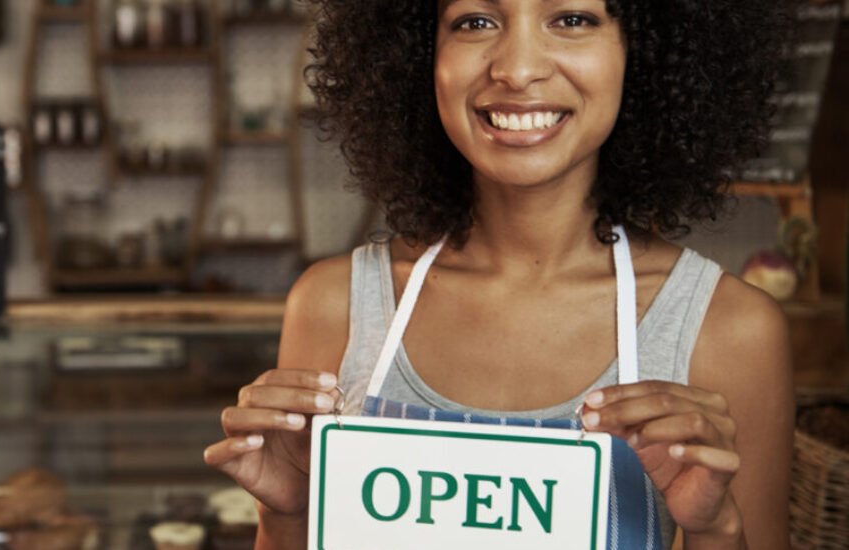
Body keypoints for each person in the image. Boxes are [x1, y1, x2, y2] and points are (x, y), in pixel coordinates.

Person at [204, 0, 795, 548]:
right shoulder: (334, 305)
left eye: (572, 18)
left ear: (642, 52)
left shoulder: (731, 329)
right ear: (418, 56)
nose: (516, 68)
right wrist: (286, 513)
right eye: (475, 21)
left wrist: (716, 530)